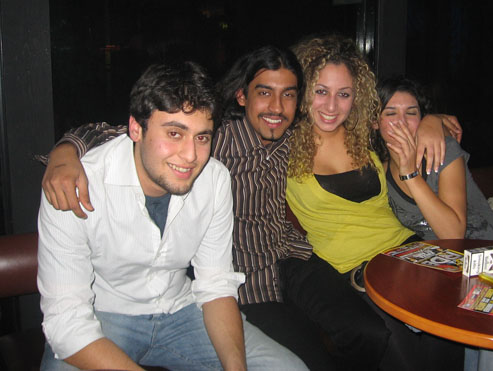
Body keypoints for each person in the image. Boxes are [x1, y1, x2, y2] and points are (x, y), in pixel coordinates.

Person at [40, 43, 460, 370]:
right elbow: (128, 132)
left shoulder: (287, 140)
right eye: (265, 93)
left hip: (289, 259)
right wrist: (66, 151)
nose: (189, 153)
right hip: (239, 280)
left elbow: (389, 120)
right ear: (242, 96)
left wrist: (430, 119)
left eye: (288, 95)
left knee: (366, 335)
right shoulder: (213, 145)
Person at [37, 61, 306, 370]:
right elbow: (66, 322)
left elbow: (215, 285)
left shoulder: (214, 179)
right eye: (175, 133)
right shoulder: (75, 184)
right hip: (101, 318)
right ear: (136, 129)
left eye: (202, 137)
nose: (190, 156)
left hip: (181, 311)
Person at [285, 35, 465, 371]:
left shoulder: (364, 136)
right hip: (359, 271)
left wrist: (432, 119)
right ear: (303, 89)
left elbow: (403, 118)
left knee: (448, 350)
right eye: (321, 91)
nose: (331, 106)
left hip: (410, 253)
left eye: (344, 94)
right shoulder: (283, 144)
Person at [372, 77, 493, 240]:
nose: (402, 122)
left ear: (421, 118)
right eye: (391, 113)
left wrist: (410, 174)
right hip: (432, 254)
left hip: (484, 248)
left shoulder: (444, 149)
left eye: (411, 113)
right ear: (375, 122)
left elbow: (453, 235)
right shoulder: (381, 173)